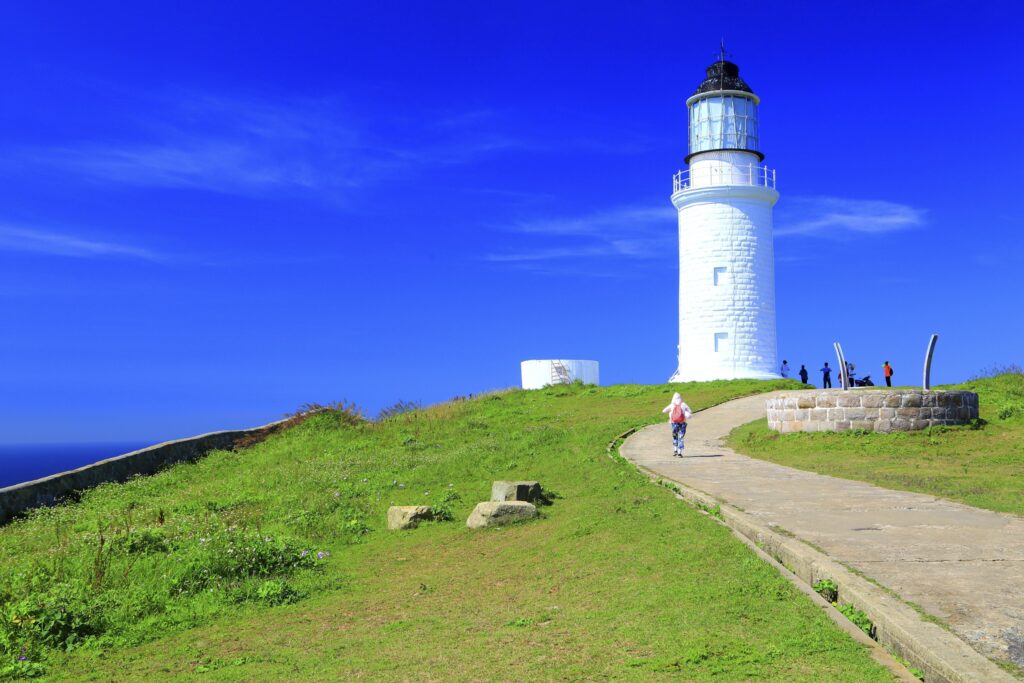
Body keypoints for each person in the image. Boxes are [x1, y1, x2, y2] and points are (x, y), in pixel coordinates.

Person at [661, 392, 693, 457]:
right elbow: (690, 411)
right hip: (682, 423)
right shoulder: (683, 404)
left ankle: (675, 450)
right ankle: (679, 452)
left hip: (674, 423)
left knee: (675, 436)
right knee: (681, 437)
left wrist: (671, 412)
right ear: (680, 398)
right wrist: (685, 412)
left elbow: (663, 411)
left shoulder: (672, 405)